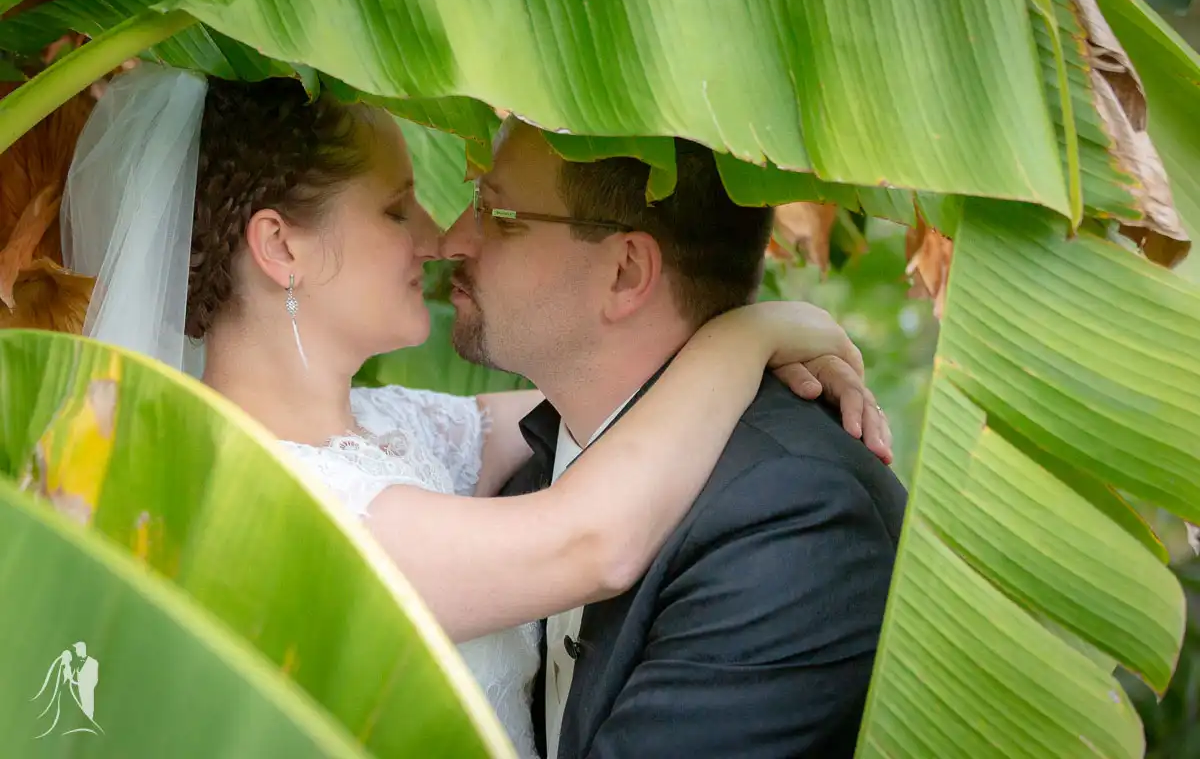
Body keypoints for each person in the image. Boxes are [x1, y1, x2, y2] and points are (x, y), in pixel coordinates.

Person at [62, 64, 891, 758]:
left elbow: (599, 401)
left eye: (490, 211)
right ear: (282, 248)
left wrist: (748, 347)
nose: (438, 238)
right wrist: (752, 332)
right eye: (397, 210)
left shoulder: (398, 430)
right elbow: (592, 537)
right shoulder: (269, 500)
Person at [440, 119, 909, 758]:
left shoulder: (794, 515)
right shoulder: (538, 465)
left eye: (495, 212)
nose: (451, 240)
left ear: (626, 272)